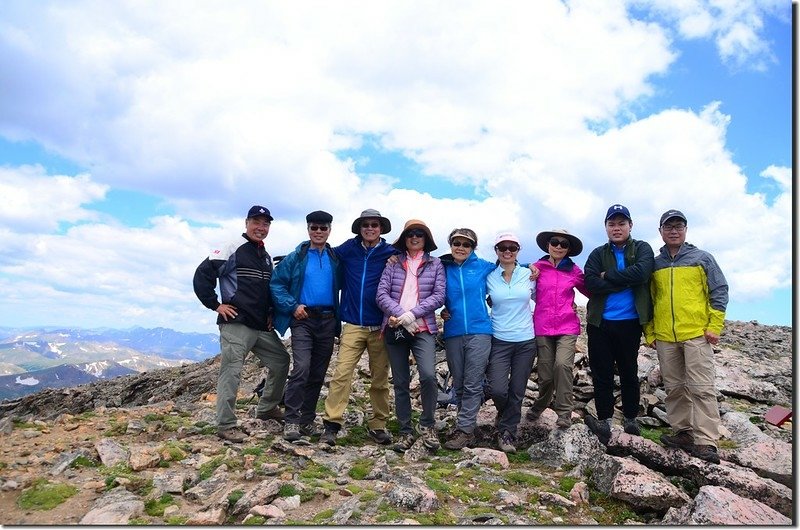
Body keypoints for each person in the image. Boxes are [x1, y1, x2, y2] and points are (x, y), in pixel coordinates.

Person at [193, 205, 291, 443]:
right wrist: (215, 305)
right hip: (236, 322)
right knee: (232, 371)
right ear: (246, 223)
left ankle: (267, 408)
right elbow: (202, 274)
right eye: (256, 222)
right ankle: (225, 424)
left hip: (260, 325)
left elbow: (264, 290)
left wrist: (269, 312)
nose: (261, 227)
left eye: (266, 223)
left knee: (281, 361)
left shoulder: (265, 256)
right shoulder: (231, 247)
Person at [644, 210, 728, 464]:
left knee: (701, 388)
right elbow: (648, 299)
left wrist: (715, 325)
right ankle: (682, 432)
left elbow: (719, 289)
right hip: (665, 336)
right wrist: (649, 331)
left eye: (678, 226)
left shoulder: (702, 258)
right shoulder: (654, 263)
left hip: (696, 334)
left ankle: (706, 441)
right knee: (674, 387)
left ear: (686, 230)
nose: (673, 231)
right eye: (668, 227)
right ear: (660, 231)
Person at [320, 209, 396, 446]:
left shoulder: (392, 253)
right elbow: (322, 252)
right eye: (366, 225)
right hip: (352, 323)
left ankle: (378, 424)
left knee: (380, 378)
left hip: (380, 325)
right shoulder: (348, 249)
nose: (370, 228)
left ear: (381, 228)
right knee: (342, 373)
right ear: (359, 228)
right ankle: (332, 423)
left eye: (374, 224)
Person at [583, 204, 654, 445]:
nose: (617, 228)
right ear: (606, 227)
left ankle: (631, 418)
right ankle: (604, 420)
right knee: (601, 373)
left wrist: (608, 276)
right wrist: (626, 281)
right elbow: (591, 283)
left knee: (628, 371)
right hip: (600, 323)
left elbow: (643, 273)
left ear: (630, 226)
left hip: (630, 322)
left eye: (621, 223)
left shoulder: (642, 248)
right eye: (612, 224)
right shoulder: (597, 254)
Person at [270, 210, 341, 442]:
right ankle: (291, 420)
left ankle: (307, 420)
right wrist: (292, 306)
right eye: (314, 227)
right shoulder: (296, 257)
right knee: (301, 368)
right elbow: (277, 283)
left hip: (328, 320)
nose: (318, 232)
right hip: (303, 319)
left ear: (330, 230)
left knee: (318, 373)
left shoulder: (335, 257)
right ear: (308, 229)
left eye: (323, 228)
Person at [376, 219, 446, 453]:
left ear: (426, 239)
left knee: (427, 375)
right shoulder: (393, 263)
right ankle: (405, 430)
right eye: (410, 234)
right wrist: (401, 315)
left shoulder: (436, 264)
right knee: (400, 381)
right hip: (395, 326)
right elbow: (381, 294)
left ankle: (427, 424)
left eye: (419, 234)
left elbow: (439, 295)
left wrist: (412, 315)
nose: (414, 237)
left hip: (422, 327)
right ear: (404, 239)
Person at [527, 229, 590, 429]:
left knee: (562, 365)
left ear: (569, 249)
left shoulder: (574, 270)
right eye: (555, 242)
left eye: (564, 244)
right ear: (548, 244)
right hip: (543, 325)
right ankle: (541, 404)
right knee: (545, 374)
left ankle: (564, 412)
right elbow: (512, 268)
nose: (559, 246)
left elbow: (592, 290)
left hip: (567, 325)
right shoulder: (537, 267)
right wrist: (526, 265)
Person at [439, 228, 495, 450]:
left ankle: (465, 430)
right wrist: (444, 310)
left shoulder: (482, 266)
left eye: (466, 244)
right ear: (451, 245)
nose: (461, 248)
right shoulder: (443, 267)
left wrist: (534, 267)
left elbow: (510, 265)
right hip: (453, 331)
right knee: (459, 383)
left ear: (473, 248)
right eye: (457, 243)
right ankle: (465, 428)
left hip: (480, 330)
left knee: (473, 383)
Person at [485, 232, 537, 453]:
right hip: (499, 339)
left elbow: (548, 293)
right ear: (496, 251)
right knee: (497, 388)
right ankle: (505, 415)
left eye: (512, 247)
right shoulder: (488, 276)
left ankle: (507, 433)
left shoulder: (529, 274)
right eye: (502, 247)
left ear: (518, 250)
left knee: (517, 389)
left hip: (526, 340)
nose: (507, 251)